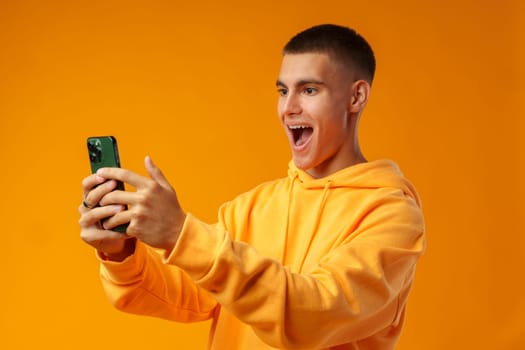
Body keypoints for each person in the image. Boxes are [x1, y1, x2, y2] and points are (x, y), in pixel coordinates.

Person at [79, 24, 426, 350]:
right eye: (282, 91)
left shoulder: (393, 215)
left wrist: (180, 234)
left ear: (356, 97)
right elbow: (177, 294)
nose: (288, 108)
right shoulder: (252, 207)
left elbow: (310, 316)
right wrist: (121, 251)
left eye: (309, 90)